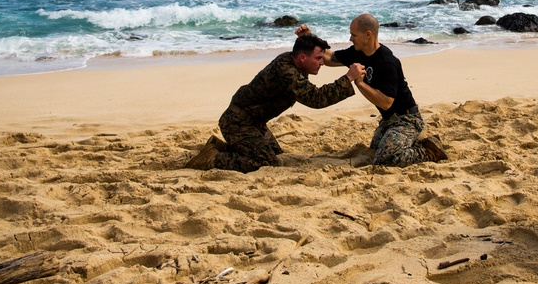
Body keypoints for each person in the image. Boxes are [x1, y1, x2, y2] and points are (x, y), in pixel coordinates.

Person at [184, 28, 365, 173]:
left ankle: (220, 147)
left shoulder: (292, 61)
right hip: (238, 122)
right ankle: (212, 158)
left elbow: (310, 60)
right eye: (318, 58)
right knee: (263, 162)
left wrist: (308, 37)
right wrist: (347, 78)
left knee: (276, 154)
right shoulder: (287, 72)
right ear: (303, 58)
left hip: (254, 122)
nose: (322, 62)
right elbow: (316, 99)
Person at [314, 13, 447, 166]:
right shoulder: (358, 52)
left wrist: (360, 83)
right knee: (375, 149)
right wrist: (310, 38)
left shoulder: (386, 62)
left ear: (368, 34)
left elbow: (386, 103)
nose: (351, 39)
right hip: (388, 120)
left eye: (354, 35)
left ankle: (428, 151)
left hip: (407, 119)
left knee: (385, 159)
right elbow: (330, 58)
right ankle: (411, 141)